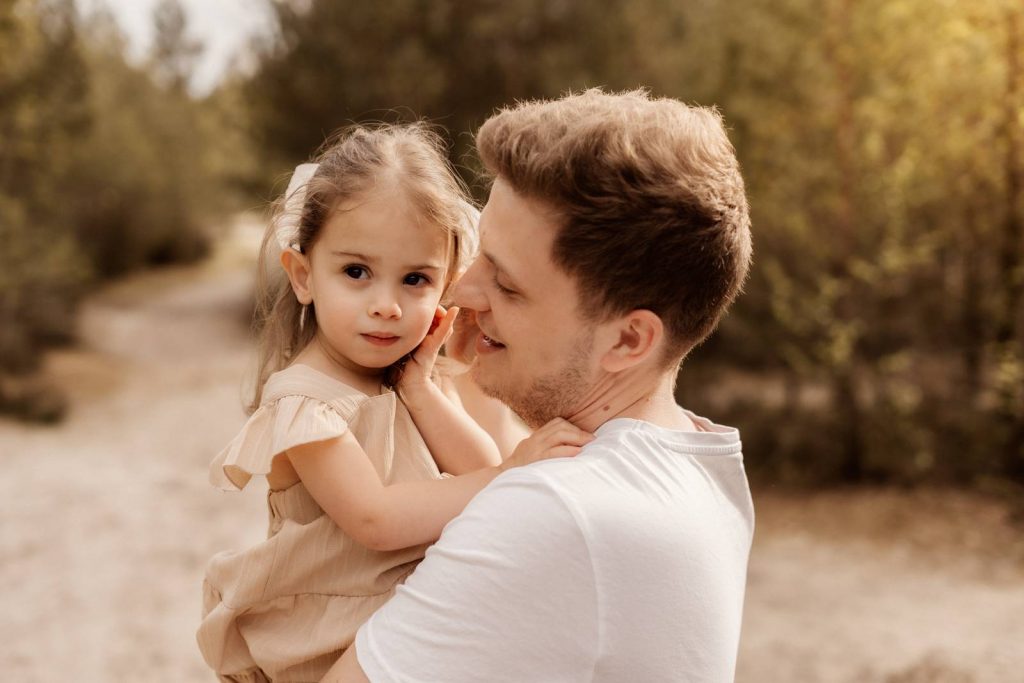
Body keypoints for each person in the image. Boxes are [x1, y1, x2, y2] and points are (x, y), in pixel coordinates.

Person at [325, 89, 756, 682]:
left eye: (505, 284)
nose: (457, 294)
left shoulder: (553, 511)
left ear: (629, 341)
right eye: (477, 260)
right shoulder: (700, 464)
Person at [196, 124, 592, 683]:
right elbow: (375, 519)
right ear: (304, 276)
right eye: (356, 273)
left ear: (446, 286)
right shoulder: (304, 402)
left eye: (415, 279)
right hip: (326, 644)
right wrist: (513, 469)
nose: (386, 305)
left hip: (402, 628)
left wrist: (422, 391)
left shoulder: (407, 382)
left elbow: (479, 473)